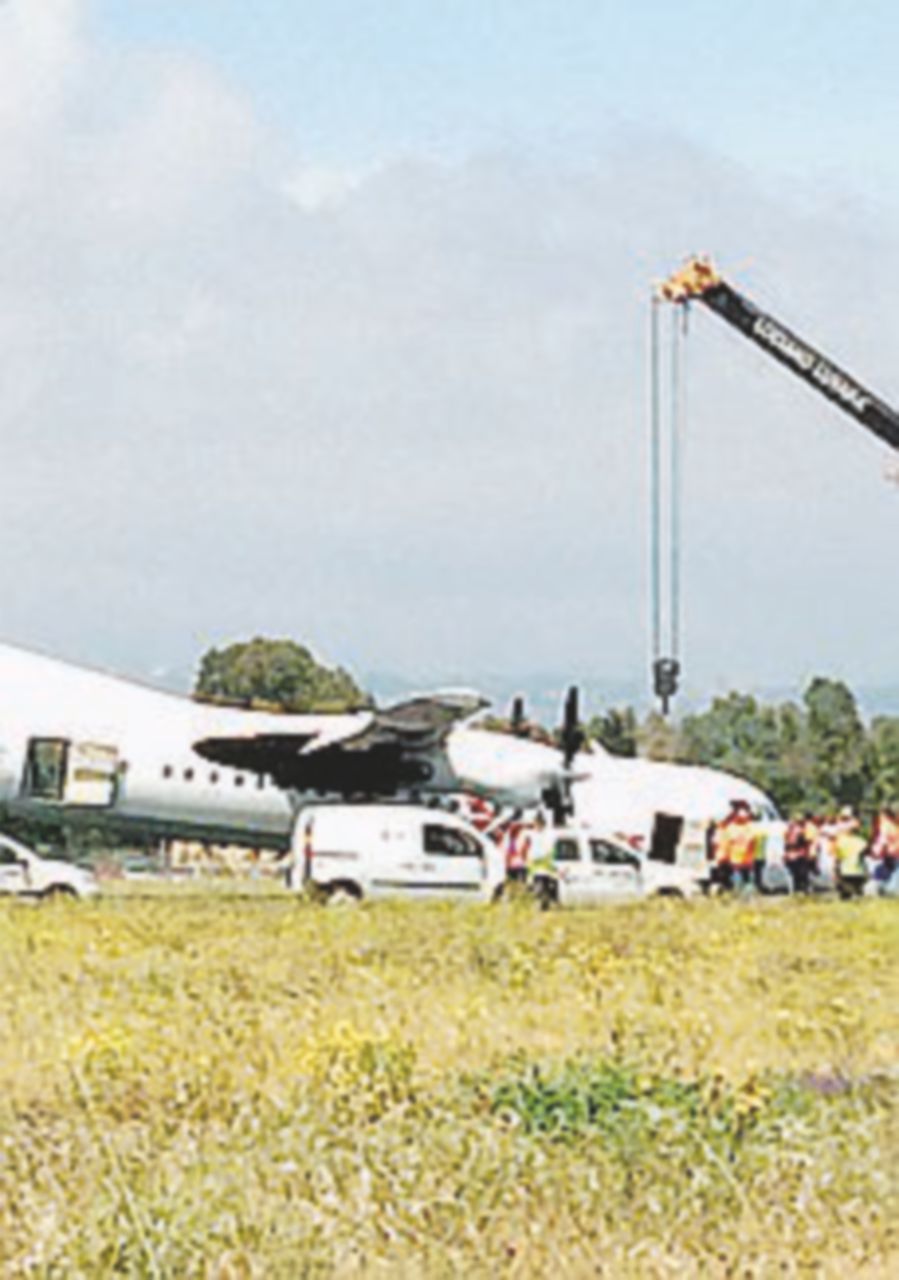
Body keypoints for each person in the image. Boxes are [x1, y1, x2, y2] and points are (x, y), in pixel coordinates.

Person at [832, 808, 868, 900]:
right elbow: (863, 857)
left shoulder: (841, 841)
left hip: (847, 871)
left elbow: (837, 858)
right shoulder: (861, 842)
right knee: (855, 892)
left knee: (847, 893)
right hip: (856, 871)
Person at [784, 814, 813, 894]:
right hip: (795, 854)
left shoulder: (800, 830)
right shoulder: (792, 831)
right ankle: (799, 889)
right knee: (797, 873)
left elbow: (805, 842)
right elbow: (787, 843)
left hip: (799, 854)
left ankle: (803, 888)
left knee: (801, 873)